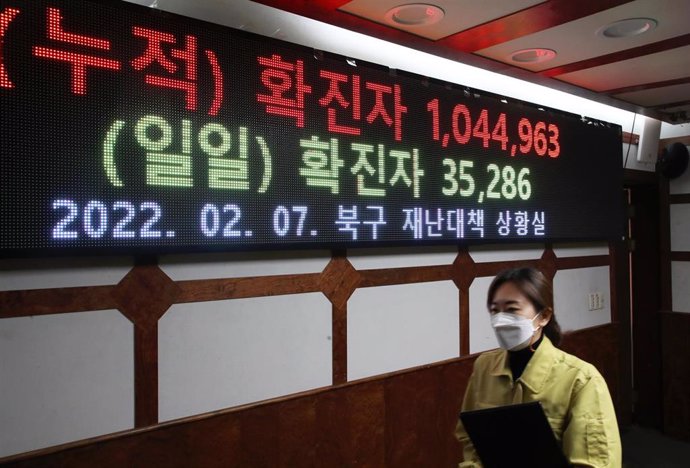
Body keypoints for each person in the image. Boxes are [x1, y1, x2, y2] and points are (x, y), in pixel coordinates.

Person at [455, 267, 621, 467]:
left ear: (543, 316)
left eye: (512, 309)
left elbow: (595, 461)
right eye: (494, 310)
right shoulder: (484, 367)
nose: (500, 319)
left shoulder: (581, 379)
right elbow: (470, 439)